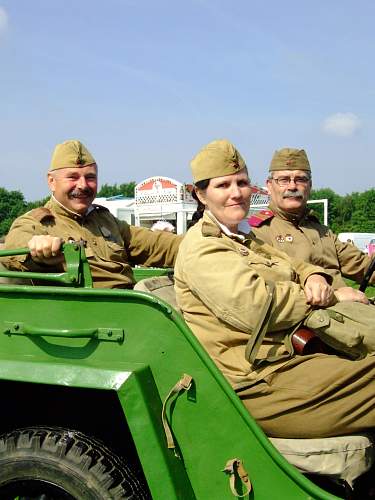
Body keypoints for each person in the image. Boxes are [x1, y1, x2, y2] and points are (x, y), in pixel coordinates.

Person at [174, 139, 375, 439]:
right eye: (223, 185)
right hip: (258, 382)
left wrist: (312, 276)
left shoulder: (243, 238)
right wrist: (331, 295)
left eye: (241, 182)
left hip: (291, 356)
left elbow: (291, 264)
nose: (236, 193)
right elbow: (256, 307)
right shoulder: (203, 248)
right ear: (200, 194)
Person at [1, 140, 181, 288]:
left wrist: (199, 242)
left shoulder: (106, 221)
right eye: (72, 177)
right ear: (52, 182)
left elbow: (155, 245)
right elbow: (14, 246)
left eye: (90, 177)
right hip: (86, 318)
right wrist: (39, 246)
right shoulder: (38, 222)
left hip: (130, 306)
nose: (83, 185)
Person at [249, 148, 374, 289]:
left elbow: (363, 266)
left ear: (310, 185)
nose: (292, 186)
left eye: (300, 179)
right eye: (283, 180)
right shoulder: (257, 233)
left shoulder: (323, 233)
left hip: (349, 307)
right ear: (270, 186)